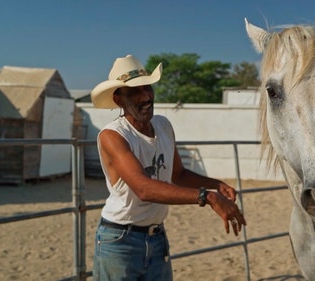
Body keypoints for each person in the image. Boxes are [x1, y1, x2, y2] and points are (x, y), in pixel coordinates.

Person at [90, 54, 246, 281]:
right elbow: (143, 188)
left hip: (156, 237)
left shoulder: (163, 125)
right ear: (118, 100)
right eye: (135, 91)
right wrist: (208, 196)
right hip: (120, 240)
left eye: (148, 88)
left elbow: (178, 174)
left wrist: (216, 185)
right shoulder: (113, 136)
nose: (146, 96)